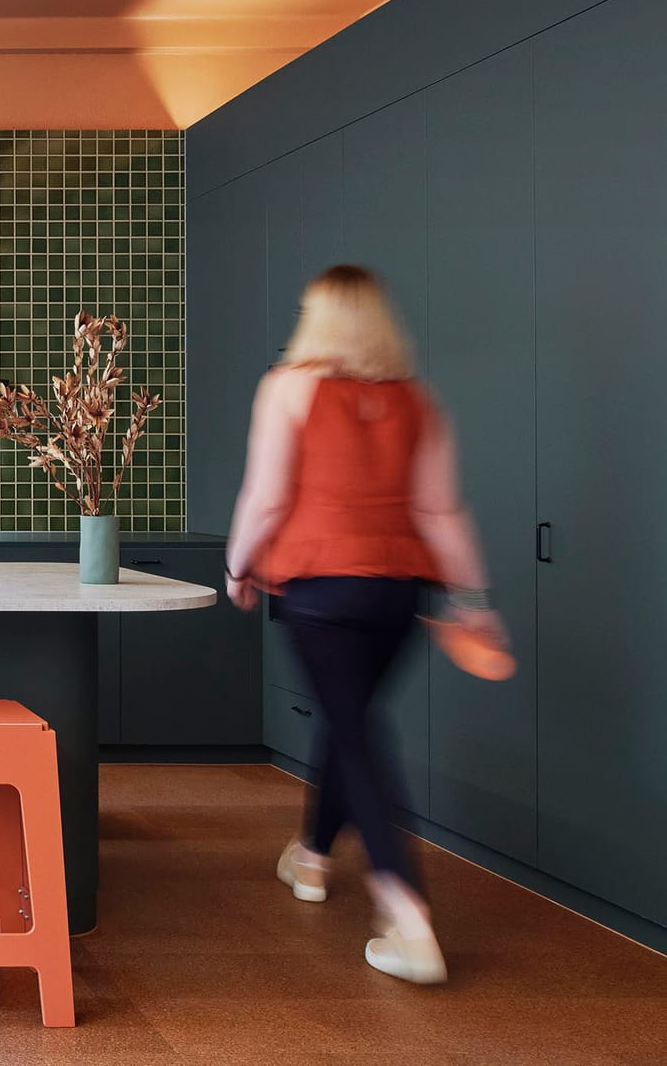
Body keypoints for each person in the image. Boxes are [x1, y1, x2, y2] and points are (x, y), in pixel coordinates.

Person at [226, 265, 507, 986]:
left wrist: (237, 565)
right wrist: (473, 601)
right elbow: (443, 511)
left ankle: (407, 913)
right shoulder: (418, 400)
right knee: (348, 718)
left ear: (316, 317)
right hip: (398, 594)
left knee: (355, 729)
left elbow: (264, 494)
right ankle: (313, 858)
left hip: (319, 586)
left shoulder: (287, 386)